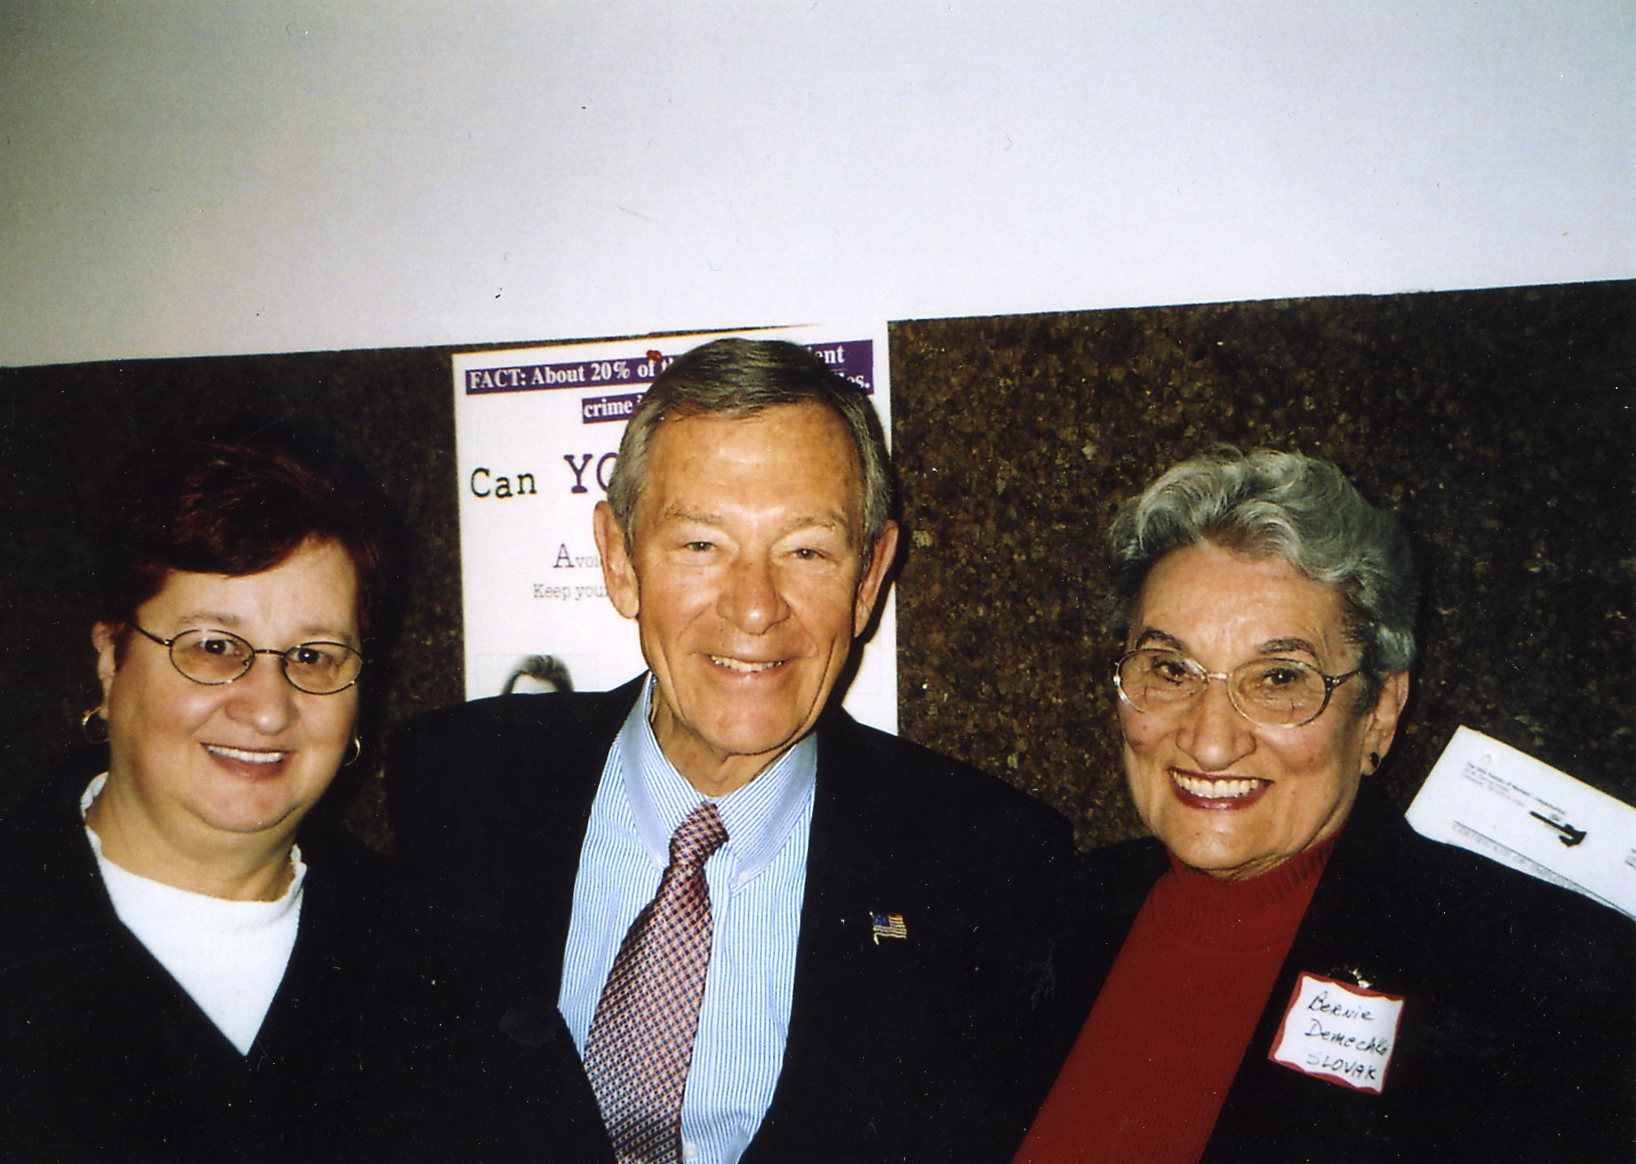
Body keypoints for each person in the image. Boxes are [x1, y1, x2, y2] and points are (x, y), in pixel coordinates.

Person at [388, 337, 1079, 1162]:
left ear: (869, 579)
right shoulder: (457, 785)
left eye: (806, 551)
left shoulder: (986, 864)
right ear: (619, 560)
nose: (755, 609)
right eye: (701, 545)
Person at [1014, 448, 1634, 1163]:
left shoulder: (1547, 986)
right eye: (1169, 669)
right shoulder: (1038, 921)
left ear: (1379, 712)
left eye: (1279, 677)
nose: (1210, 742)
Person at [0, 426, 445, 1161]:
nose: (267, 707)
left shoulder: (445, 966)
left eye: (315, 657)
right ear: (111, 657)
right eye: (214, 647)